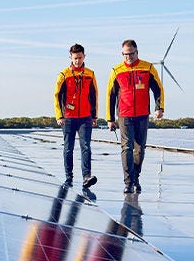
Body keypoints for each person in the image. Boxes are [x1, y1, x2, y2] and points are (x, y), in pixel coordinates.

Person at [106, 39, 164, 193]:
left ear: (137, 52)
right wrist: (110, 119)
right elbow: (110, 96)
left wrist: (159, 108)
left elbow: (158, 89)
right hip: (124, 115)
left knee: (140, 149)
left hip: (142, 115)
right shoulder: (116, 71)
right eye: (125, 54)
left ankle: (136, 177)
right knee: (126, 147)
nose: (128, 57)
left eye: (131, 54)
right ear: (122, 54)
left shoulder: (148, 68)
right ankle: (128, 182)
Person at [54, 43, 98, 189]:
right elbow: (57, 96)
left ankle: (87, 176)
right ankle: (69, 177)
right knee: (68, 148)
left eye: (80, 58)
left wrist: (94, 116)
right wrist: (59, 116)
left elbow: (94, 95)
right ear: (70, 58)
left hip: (85, 117)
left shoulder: (90, 74)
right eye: (75, 58)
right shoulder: (64, 75)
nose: (77, 61)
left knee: (86, 146)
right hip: (68, 118)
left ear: (84, 56)